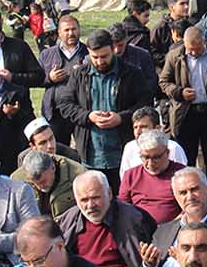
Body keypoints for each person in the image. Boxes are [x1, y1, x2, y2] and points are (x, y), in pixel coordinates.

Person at [54, 28, 146, 196]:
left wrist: (121, 118)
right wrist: (88, 116)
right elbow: (64, 104)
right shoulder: (79, 74)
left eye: (104, 56)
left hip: (123, 153)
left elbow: (144, 104)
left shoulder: (132, 74)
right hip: (91, 153)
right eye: (94, 57)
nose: (99, 61)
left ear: (113, 49)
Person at [60, 170, 155, 267]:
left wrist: (147, 265)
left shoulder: (135, 219)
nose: (90, 206)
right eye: (84, 200)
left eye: (95, 197)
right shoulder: (68, 221)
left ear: (110, 193)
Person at [159, 26, 207, 206]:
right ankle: (185, 201)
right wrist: (180, 92)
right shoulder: (175, 56)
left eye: (197, 49)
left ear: (203, 42)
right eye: (190, 49)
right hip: (186, 114)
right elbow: (164, 82)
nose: (193, 52)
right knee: (186, 160)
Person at [35, 14, 87, 145]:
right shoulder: (47, 54)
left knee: (82, 149)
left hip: (80, 110)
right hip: (55, 112)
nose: (71, 33)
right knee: (57, 150)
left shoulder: (88, 52)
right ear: (59, 32)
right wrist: (49, 78)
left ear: (79, 30)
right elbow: (35, 78)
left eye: (74, 29)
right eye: (66, 30)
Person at [118, 129, 187, 224]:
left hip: (173, 229)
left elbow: (190, 206)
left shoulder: (183, 174)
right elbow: (122, 209)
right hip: (140, 229)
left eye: (156, 157)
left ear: (167, 153)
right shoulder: (131, 175)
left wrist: (171, 228)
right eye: (145, 157)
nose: (150, 163)